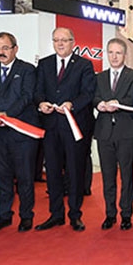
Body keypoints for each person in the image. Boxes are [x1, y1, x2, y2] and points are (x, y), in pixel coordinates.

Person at [34, 27, 97, 232]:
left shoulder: (84, 65)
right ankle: (56, 214)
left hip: (74, 126)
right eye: (56, 40)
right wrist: (41, 103)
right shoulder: (44, 64)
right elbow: (38, 90)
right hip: (51, 126)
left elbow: (88, 93)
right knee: (52, 171)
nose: (60, 43)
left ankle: (75, 215)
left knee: (75, 171)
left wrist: (72, 104)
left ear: (73, 42)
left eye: (64, 40)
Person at [0, 32, 39, 233]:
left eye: (5, 47)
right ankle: (3, 215)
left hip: (22, 133)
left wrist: (7, 115)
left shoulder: (27, 70)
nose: (0, 52)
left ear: (15, 49)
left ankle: (26, 216)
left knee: (24, 177)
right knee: (2, 176)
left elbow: (27, 97)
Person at [94, 38, 133, 231]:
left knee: (127, 176)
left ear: (125, 55)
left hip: (127, 132)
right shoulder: (99, 77)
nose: (114, 56)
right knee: (108, 176)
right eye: (111, 52)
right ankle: (110, 214)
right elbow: (94, 96)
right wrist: (99, 104)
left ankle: (126, 214)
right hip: (104, 132)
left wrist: (117, 103)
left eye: (118, 53)